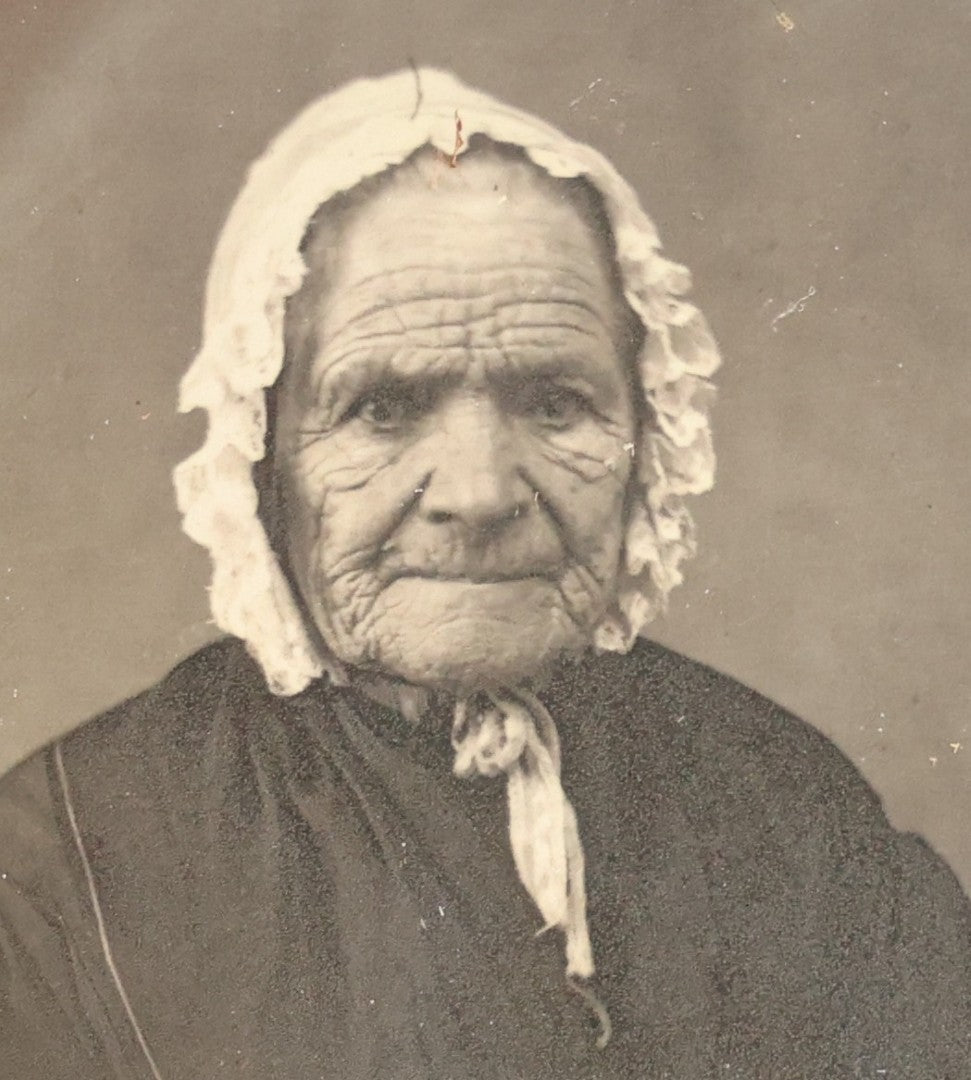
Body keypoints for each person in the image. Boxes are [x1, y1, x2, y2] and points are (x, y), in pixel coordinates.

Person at [1, 68, 969, 1079]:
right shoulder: (61, 869)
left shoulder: (788, 810)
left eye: (553, 402)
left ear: (645, 436)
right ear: (261, 451)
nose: (478, 490)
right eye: (381, 407)